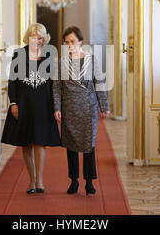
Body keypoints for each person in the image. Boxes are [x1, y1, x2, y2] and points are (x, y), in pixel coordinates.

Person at [1, 23, 61, 194]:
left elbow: (54, 83)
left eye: (40, 38)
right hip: (23, 104)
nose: (38, 41)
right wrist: (13, 103)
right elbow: (12, 81)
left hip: (44, 105)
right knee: (26, 143)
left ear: (44, 38)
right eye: (34, 37)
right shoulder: (19, 54)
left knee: (39, 142)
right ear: (28, 37)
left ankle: (40, 180)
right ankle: (31, 180)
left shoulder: (49, 55)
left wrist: (56, 106)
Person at [53, 26, 110, 196]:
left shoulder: (92, 60)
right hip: (69, 108)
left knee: (88, 146)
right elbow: (56, 88)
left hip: (88, 108)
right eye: (66, 42)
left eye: (72, 41)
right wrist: (56, 107)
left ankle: (90, 181)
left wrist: (104, 106)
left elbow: (99, 83)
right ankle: (74, 180)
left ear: (80, 42)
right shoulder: (61, 62)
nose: (69, 45)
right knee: (71, 147)